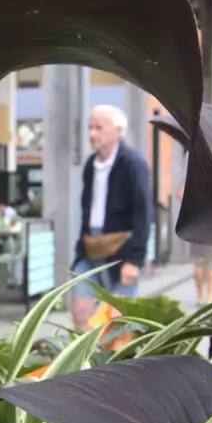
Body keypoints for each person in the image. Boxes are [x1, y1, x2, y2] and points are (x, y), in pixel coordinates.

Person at [70, 104, 152, 330]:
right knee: (80, 312)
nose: (92, 133)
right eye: (90, 127)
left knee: (118, 323)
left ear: (118, 130)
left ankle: (114, 363)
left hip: (122, 249)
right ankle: (87, 364)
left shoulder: (133, 164)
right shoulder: (90, 165)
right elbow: (86, 211)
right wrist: (79, 254)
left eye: (98, 127)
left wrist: (135, 260)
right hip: (91, 247)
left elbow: (144, 214)